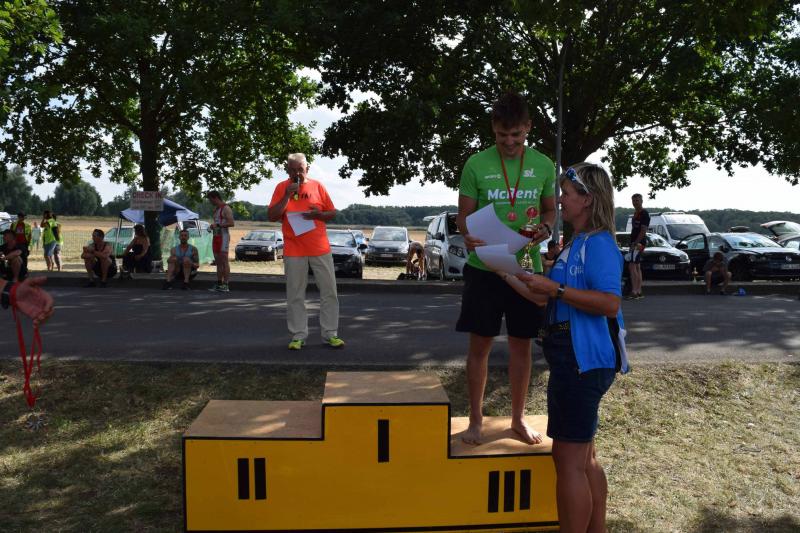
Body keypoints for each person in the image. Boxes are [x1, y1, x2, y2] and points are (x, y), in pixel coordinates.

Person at [497, 163, 627, 533]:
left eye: (566, 194)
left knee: (568, 462)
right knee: (584, 459)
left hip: (582, 360)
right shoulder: (576, 243)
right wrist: (502, 268)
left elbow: (609, 303)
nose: (559, 201)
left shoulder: (598, 244)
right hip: (574, 359)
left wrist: (555, 288)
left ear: (587, 199)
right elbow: (543, 298)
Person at [455, 91, 556, 445]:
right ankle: (475, 420)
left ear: (528, 127)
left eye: (516, 135)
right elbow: (463, 216)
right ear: (493, 129)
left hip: (526, 264)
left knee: (521, 345)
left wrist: (546, 227)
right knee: (480, 345)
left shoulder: (543, 164)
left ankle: (518, 419)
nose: (510, 142)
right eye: (502, 136)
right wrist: (466, 234)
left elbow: (550, 210)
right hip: (485, 266)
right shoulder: (475, 164)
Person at [268, 152, 344, 350]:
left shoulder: (318, 186)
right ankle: (298, 336)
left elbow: (332, 212)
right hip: (294, 249)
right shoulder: (281, 187)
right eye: (292, 170)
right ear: (287, 170)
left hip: (320, 248)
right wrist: (287, 195)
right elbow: (272, 216)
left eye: (300, 169)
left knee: (329, 292)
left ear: (307, 169)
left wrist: (319, 215)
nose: (297, 173)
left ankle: (330, 334)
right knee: (295, 295)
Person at [207, 191, 234, 292]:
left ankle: (226, 284)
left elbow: (231, 223)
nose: (210, 202)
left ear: (215, 198)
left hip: (224, 237)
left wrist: (218, 225)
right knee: (218, 261)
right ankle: (219, 283)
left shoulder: (226, 208)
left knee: (224, 260)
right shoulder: (216, 209)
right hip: (216, 236)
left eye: (210, 200)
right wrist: (213, 226)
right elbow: (217, 222)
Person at [627, 193, 650, 300]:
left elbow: (643, 230)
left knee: (632, 266)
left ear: (641, 201)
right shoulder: (636, 213)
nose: (635, 203)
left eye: (637, 200)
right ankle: (639, 291)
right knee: (636, 266)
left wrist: (635, 243)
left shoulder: (644, 213)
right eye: (633, 200)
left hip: (638, 243)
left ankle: (634, 291)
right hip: (636, 242)